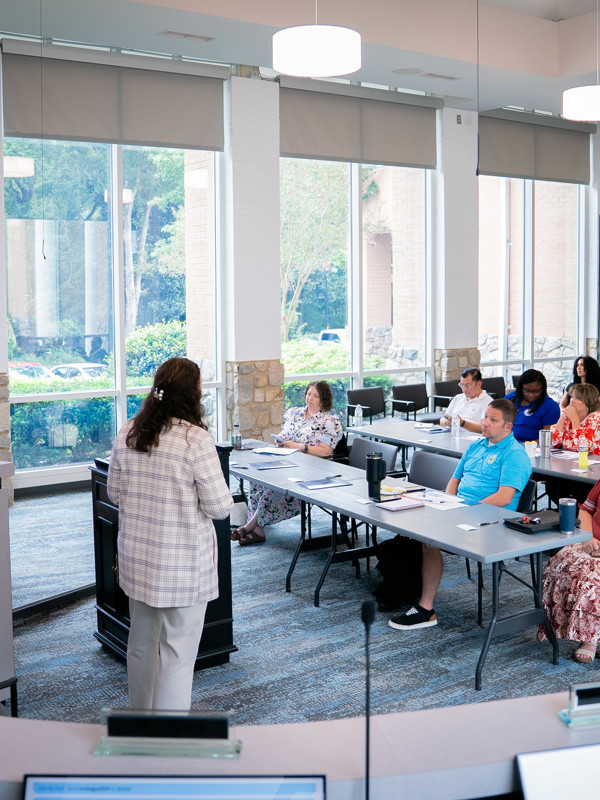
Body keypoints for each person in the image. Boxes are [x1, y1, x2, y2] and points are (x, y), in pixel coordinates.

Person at [107, 357, 233, 711]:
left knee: (141, 646)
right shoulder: (195, 440)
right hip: (182, 567)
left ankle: (141, 722)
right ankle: (168, 734)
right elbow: (220, 508)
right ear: (192, 393)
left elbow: (114, 494)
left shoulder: (129, 431)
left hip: (138, 560)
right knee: (177, 656)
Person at [388, 399, 532, 631]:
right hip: (461, 510)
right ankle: (403, 591)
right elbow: (454, 481)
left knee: (430, 539)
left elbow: (504, 498)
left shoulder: (515, 455)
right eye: (485, 416)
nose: (484, 423)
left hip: (491, 520)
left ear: (508, 426)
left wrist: (465, 511)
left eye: (492, 420)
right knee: (412, 524)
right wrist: (449, 503)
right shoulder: (476, 446)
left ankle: (426, 609)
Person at [231, 381, 343, 546]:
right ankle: (257, 527)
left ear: (323, 399)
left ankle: (250, 527)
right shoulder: (295, 413)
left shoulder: (329, 422)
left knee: (275, 485)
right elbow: (285, 434)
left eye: (315, 396)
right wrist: (281, 440)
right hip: (287, 462)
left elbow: (326, 451)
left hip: (311, 470)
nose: (310, 398)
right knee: (258, 478)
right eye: (309, 394)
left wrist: (300, 447)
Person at [538, 479, 600, 663]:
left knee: (590, 580)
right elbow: (586, 510)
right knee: (557, 565)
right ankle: (565, 628)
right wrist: (588, 537)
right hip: (592, 542)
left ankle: (589, 639)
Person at [546, 384, 600, 505]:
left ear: (589, 402)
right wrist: (563, 417)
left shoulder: (596, 419)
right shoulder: (568, 417)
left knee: (570, 488)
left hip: (590, 471)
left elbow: (583, 447)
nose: (572, 401)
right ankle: (565, 511)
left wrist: (575, 418)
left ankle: (576, 513)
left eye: (578, 398)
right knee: (552, 483)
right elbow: (552, 442)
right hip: (567, 467)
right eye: (572, 397)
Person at [505, 369, 560, 442]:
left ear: (542, 389)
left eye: (536, 391)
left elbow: (547, 439)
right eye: (527, 391)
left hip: (530, 445)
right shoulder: (511, 398)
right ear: (521, 388)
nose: (531, 395)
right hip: (504, 442)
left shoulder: (550, 406)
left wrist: (527, 445)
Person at [439, 367, 492, 434]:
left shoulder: (488, 402)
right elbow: (443, 418)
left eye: (468, 385)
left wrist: (462, 423)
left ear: (479, 384)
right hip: (452, 434)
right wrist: (446, 422)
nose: (464, 389)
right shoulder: (458, 397)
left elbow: (485, 429)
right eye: (462, 385)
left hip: (471, 437)